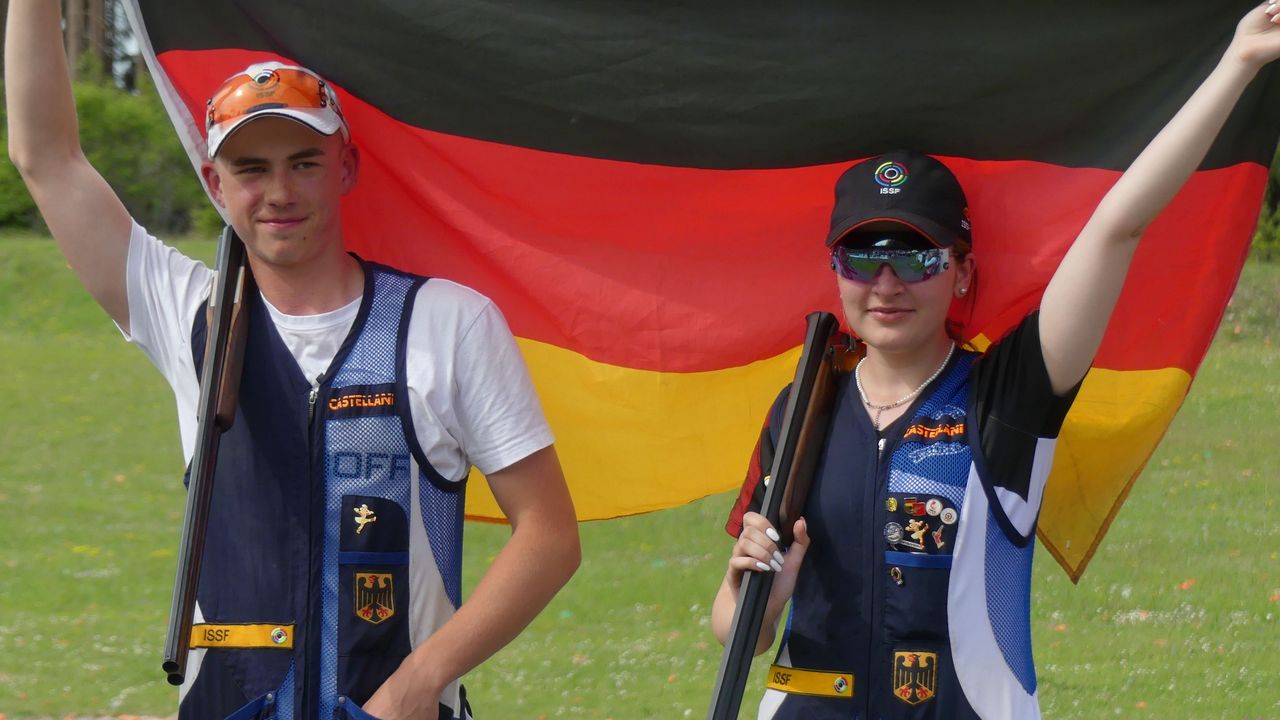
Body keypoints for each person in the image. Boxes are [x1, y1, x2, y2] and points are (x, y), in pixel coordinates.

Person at [5, 3, 580, 719]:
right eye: (251, 169)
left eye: (304, 163)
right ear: (216, 186)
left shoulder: (448, 323)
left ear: (346, 168)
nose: (279, 193)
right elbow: (46, 159)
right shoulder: (192, 316)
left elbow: (550, 537)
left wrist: (418, 681)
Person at [711, 5, 1280, 719]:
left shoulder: (1008, 397)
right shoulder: (801, 408)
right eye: (863, 256)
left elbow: (1116, 228)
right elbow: (740, 631)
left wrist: (1239, 63)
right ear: (836, 272)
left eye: (916, 256)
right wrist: (751, 587)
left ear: (961, 273)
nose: (886, 283)